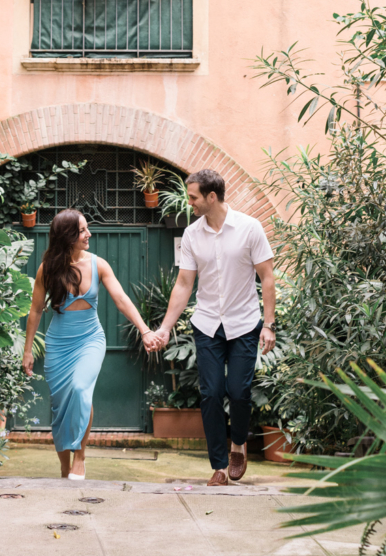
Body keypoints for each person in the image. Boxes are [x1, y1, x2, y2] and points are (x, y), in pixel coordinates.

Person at [150, 169, 275, 486]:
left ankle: (238, 443)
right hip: (207, 324)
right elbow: (183, 283)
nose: (188, 202)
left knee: (239, 392)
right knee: (210, 393)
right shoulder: (192, 235)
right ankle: (220, 465)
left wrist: (269, 325)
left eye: (192, 197)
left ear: (211, 197)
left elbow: (267, 277)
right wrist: (166, 327)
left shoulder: (249, 228)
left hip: (245, 323)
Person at [23, 208, 160, 480]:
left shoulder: (98, 264)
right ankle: (64, 463)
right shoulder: (47, 269)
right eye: (83, 230)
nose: (89, 234)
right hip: (58, 344)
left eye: (87, 228)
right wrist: (28, 350)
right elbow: (36, 310)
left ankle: (80, 456)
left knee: (80, 388)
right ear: (67, 236)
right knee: (60, 405)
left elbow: (121, 299)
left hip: (90, 339)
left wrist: (144, 330)